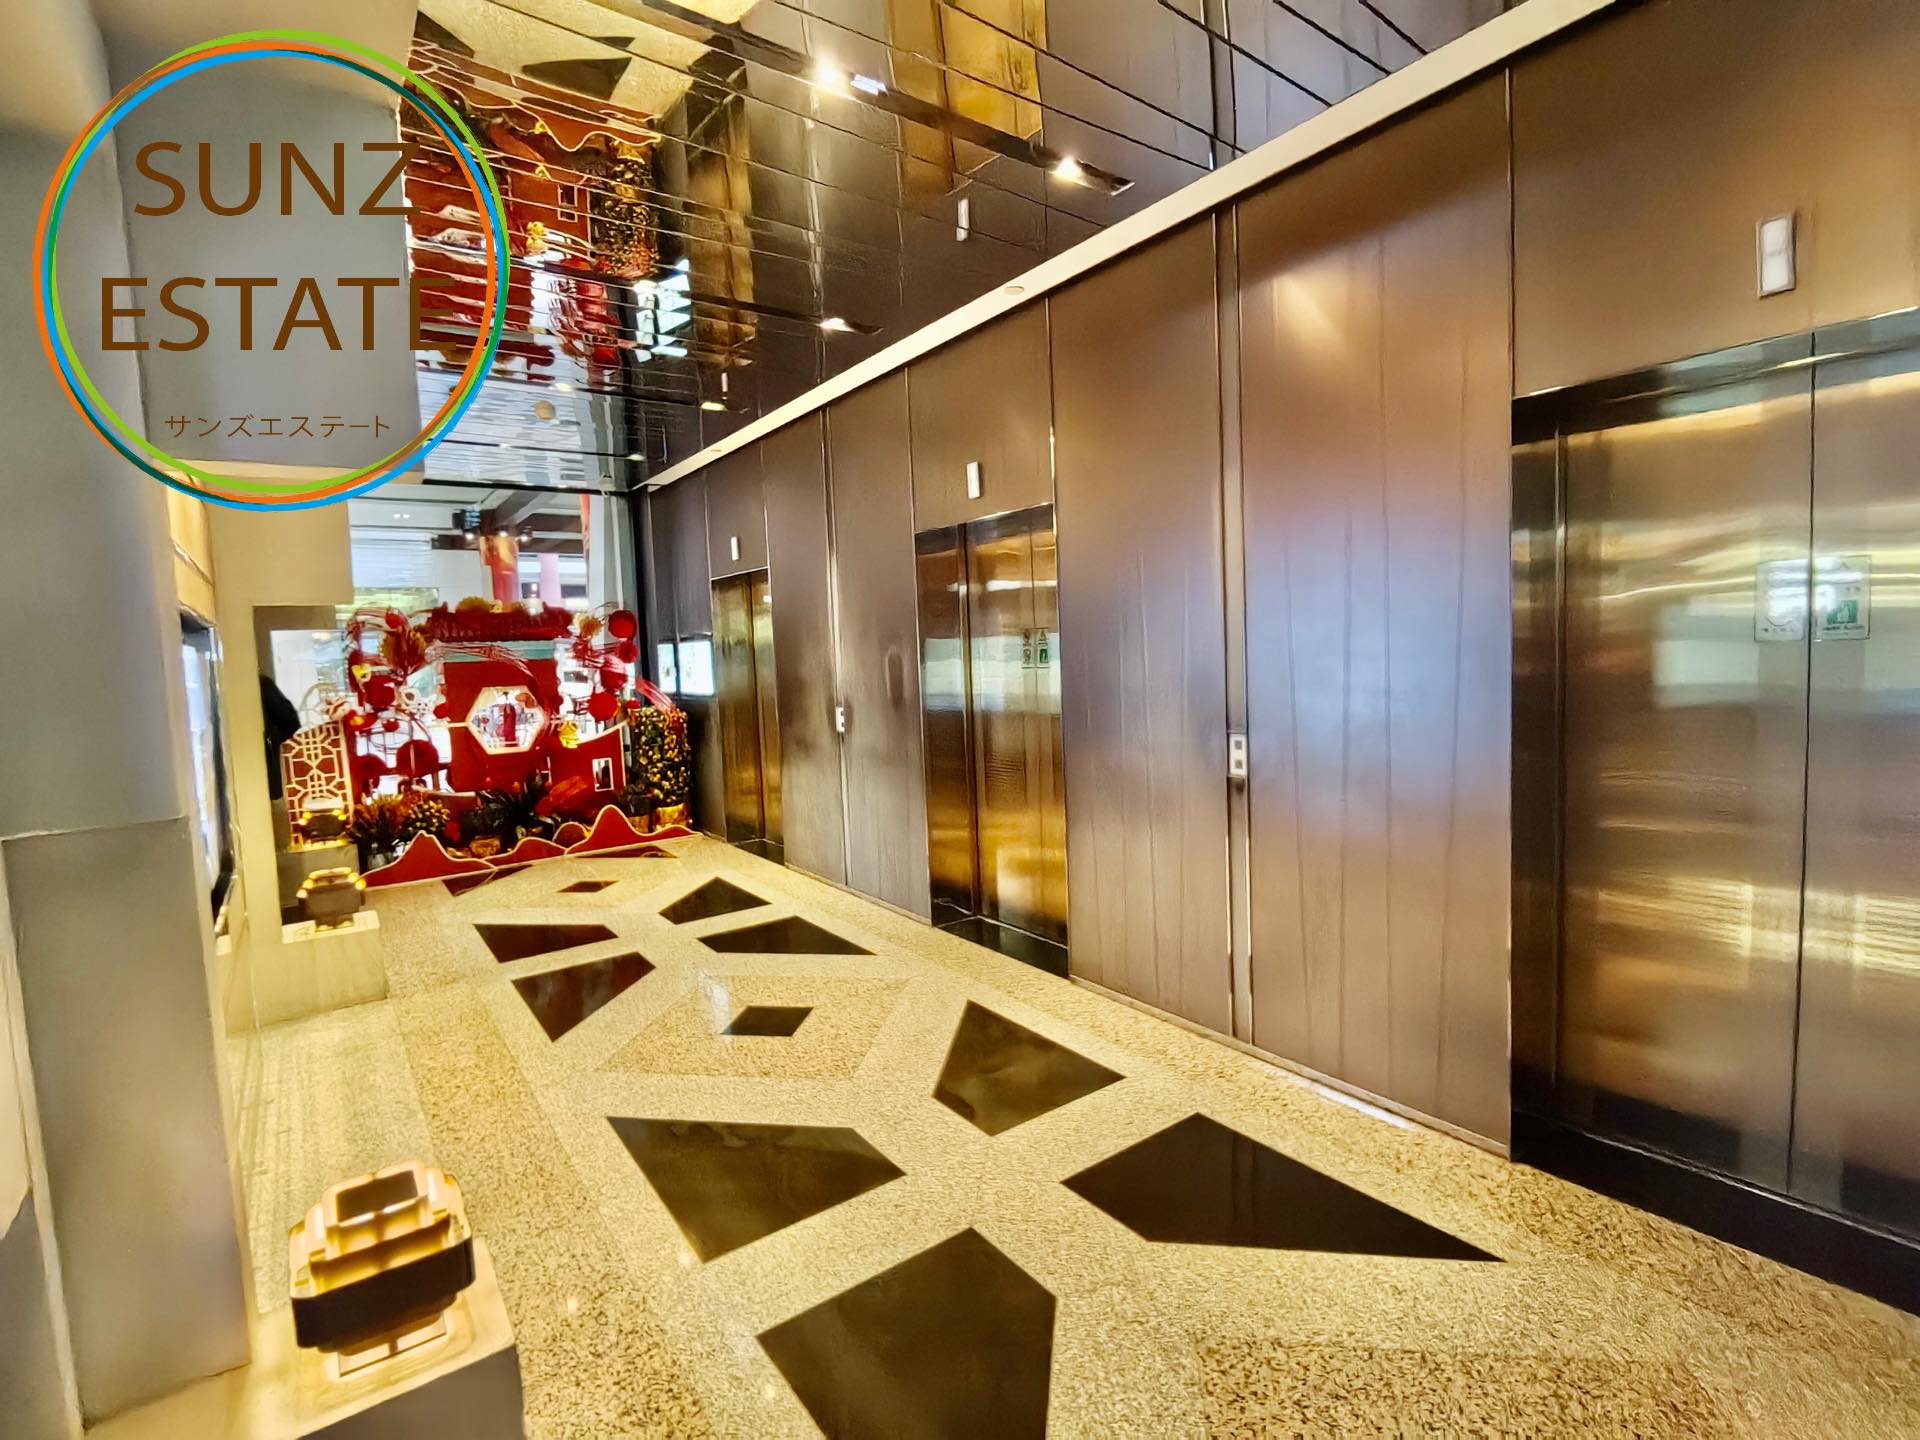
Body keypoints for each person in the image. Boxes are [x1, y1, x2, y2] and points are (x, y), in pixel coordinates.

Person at [259, 673, 303, 801]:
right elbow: (291, 721)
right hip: (269, 769)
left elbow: (291, 721)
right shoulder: (261, 684)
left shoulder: (262, 685)